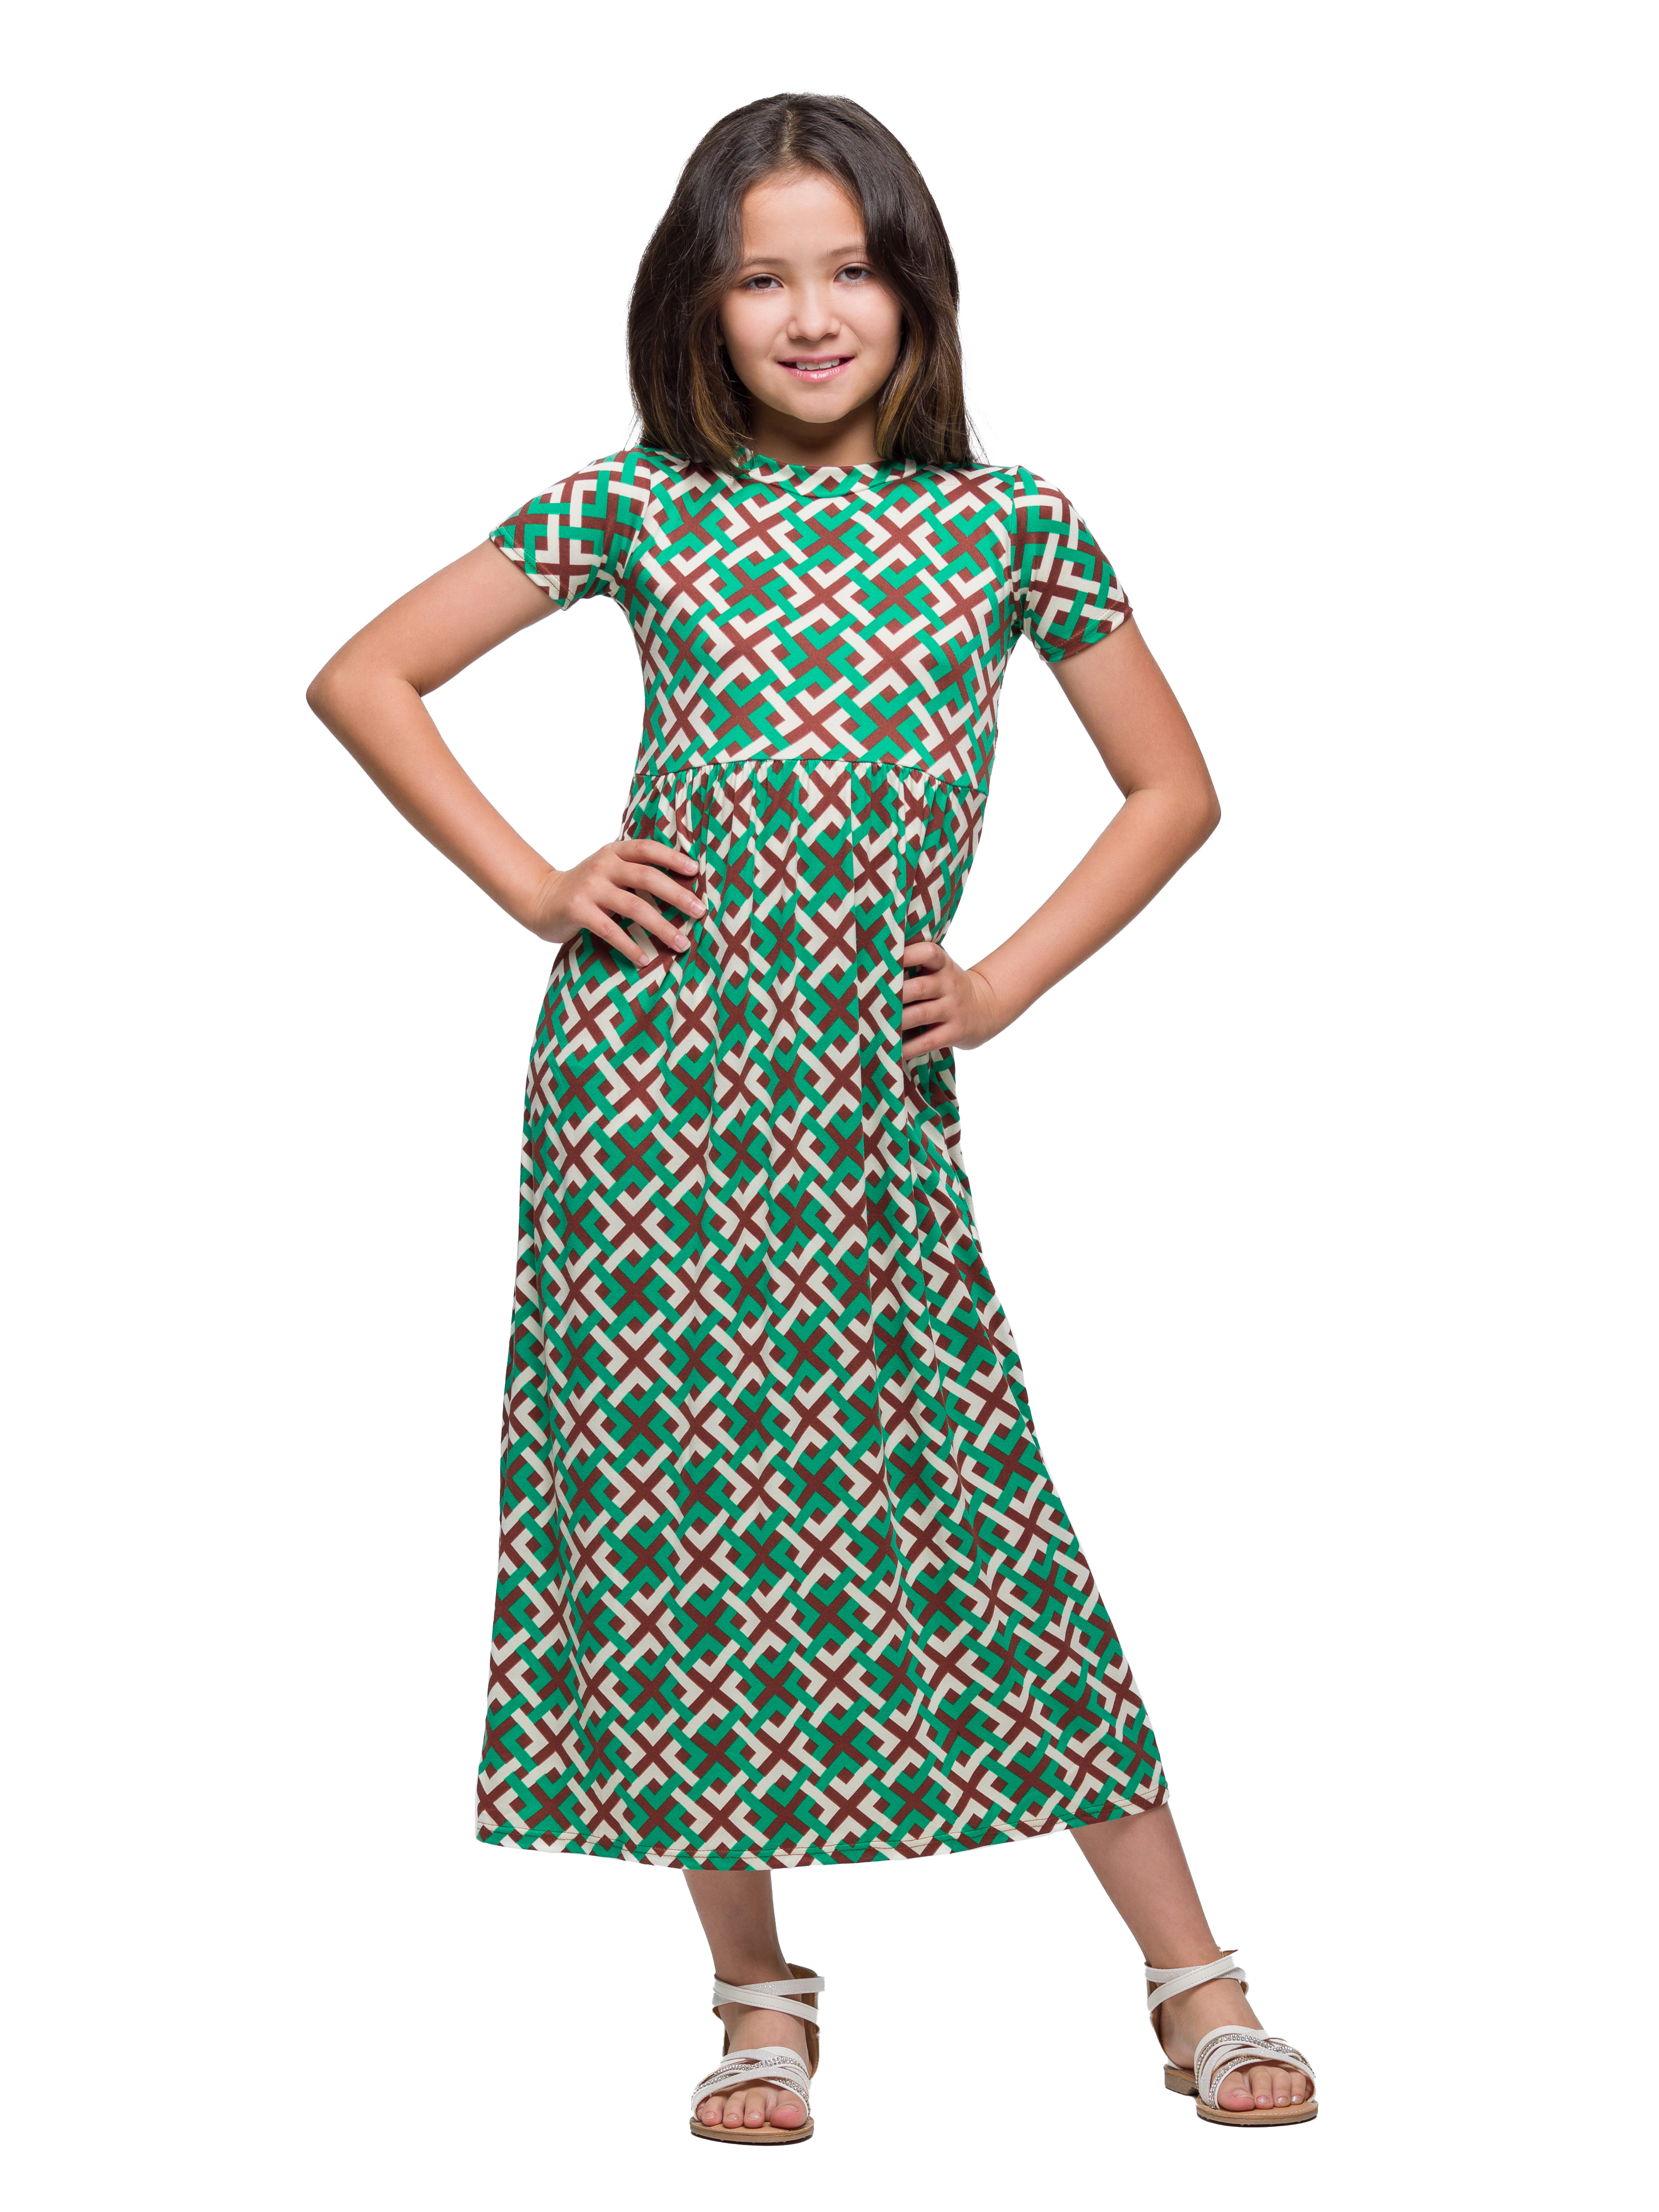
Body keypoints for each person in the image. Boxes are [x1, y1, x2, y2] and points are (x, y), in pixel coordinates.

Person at [306, 91, 1317, 2140]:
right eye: (761, 277)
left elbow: (1175, 791)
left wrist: (1001, 984)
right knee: (686, 1521)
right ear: (699, 305)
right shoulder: (642, 508)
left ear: (915, 291)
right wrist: (540, 885)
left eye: (849, 268)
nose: (810, 313)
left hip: (865, 1101)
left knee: (977, 1497)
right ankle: (756, 1996)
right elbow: (365, 677)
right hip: (647, 1101)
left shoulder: (1012, 527)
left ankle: (1191, 1979)